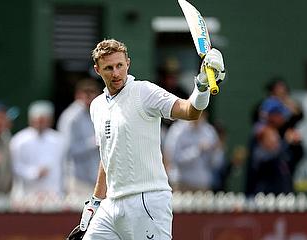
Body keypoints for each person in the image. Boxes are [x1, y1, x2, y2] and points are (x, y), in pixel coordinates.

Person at [77, 39, 225, 239]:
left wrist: (202, 86)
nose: (116, 73)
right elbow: (107, 155)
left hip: (147, 200)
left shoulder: (144, 91)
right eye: (108, 68)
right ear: (97, 70)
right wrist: (96, 200)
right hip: (110, 205)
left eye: (120, 65)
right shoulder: (97, 106)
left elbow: (189, 111)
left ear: (128, 63)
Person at [10, 100, 66, 198]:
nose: (40, 124)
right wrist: (33, 172)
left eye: (43, 120)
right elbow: (15, 166)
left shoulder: (58, 140)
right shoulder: (19, 140)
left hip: (53, 194)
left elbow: (63, 166)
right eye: (37, 120)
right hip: (27, 195)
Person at [57, 78, 102, 196]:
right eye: (85, 93)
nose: (89, 96)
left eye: (92, 92)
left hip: (99, 180)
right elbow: (67, 150)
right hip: (77, 181)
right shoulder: (71, 117)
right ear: (78, 95)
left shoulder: (100, 113)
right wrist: (93, 143)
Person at [163, 112, 224, 192]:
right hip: (182, 184)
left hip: (203, 185)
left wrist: (215, 151)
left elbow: (216, 163)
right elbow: (173, 159)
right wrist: (197, 150)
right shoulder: (178, 130)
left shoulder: (209, 131)